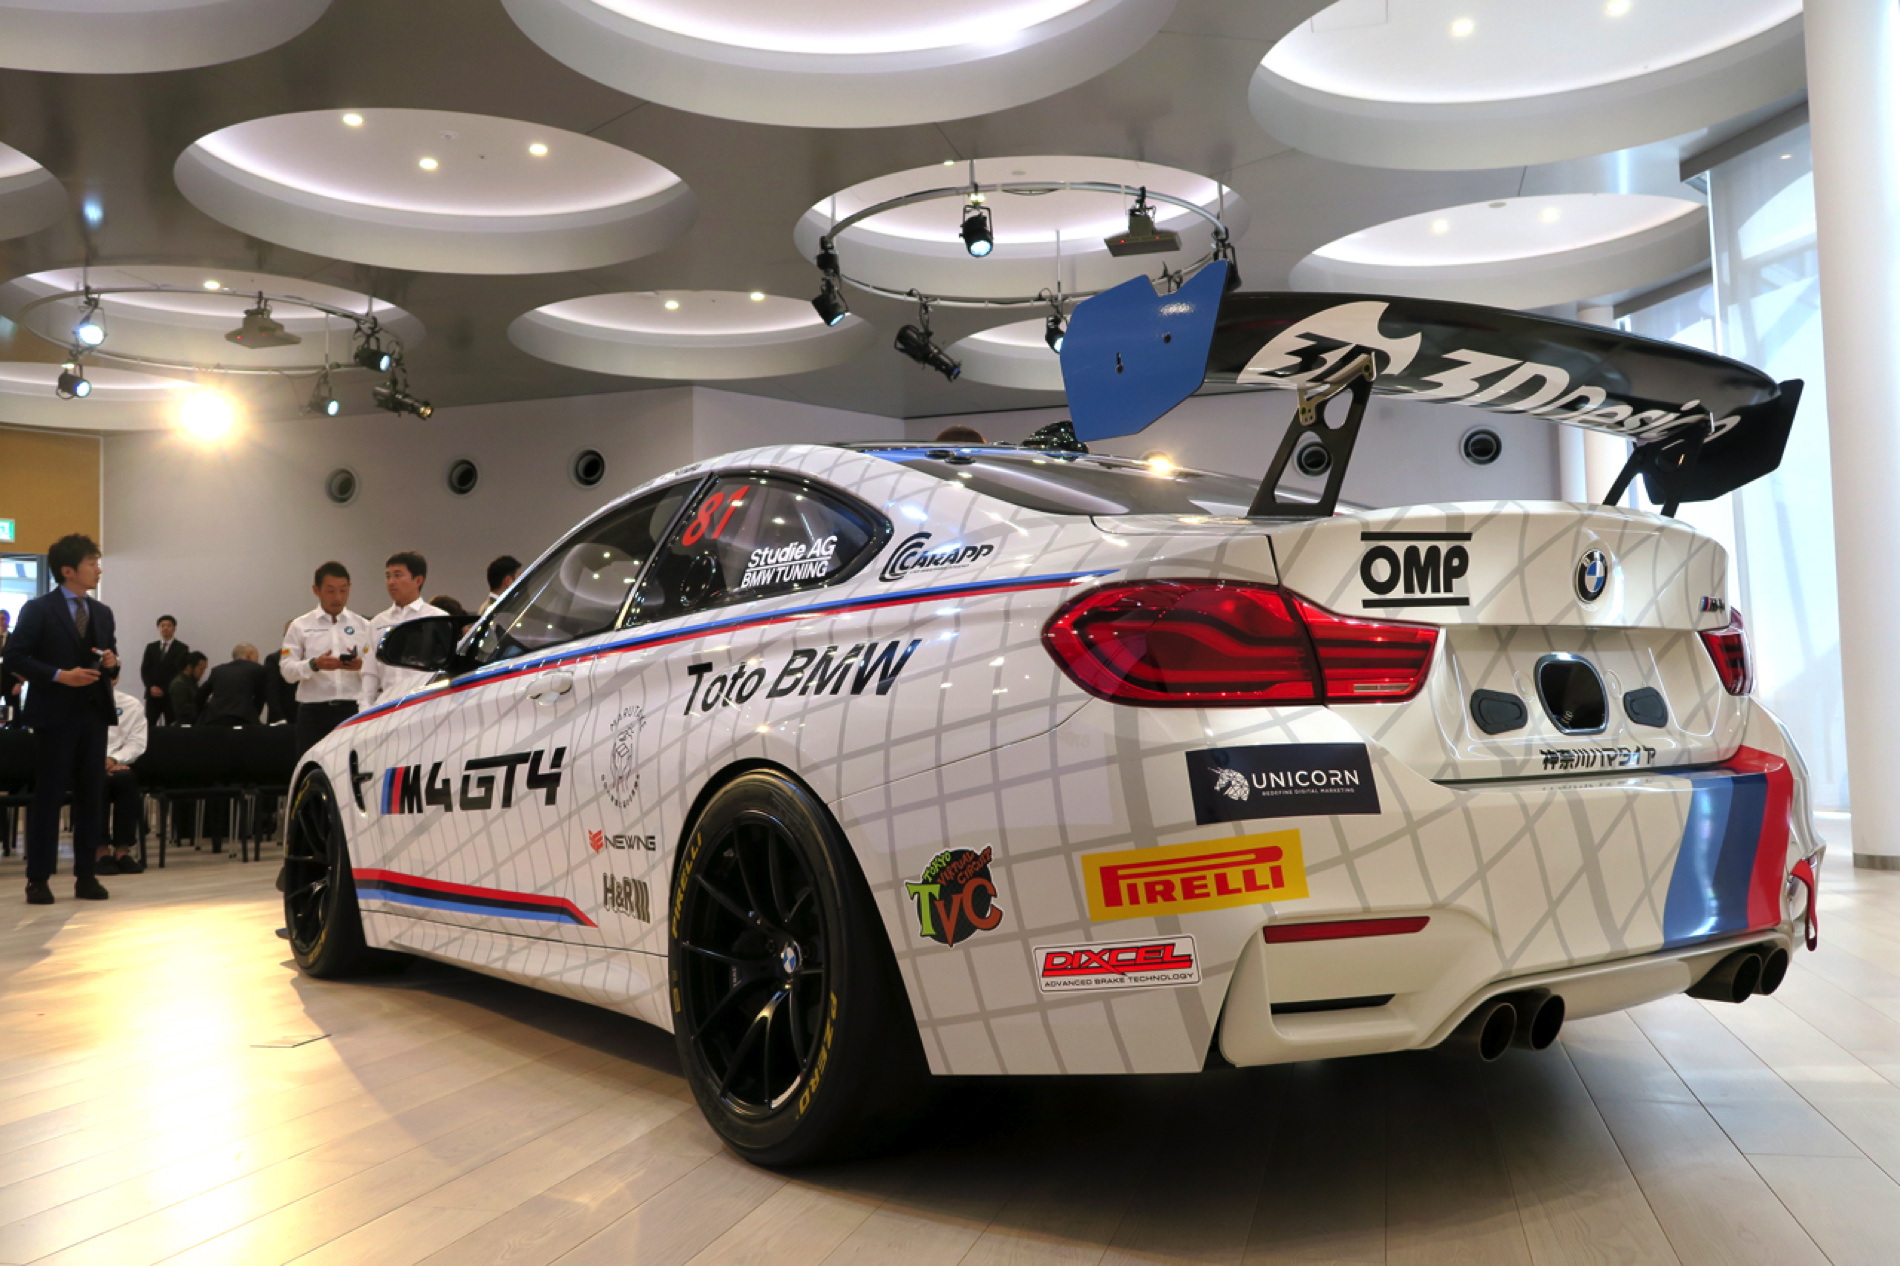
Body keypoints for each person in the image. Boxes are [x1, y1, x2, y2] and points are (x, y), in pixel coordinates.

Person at [1, 533, 117, 904]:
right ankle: (38, 879)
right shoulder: (39, 609)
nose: (98, 570)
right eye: (91, 563)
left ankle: (86, 876)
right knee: (49, 798)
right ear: (68, 570)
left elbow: (109, 662)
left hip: (93, 715)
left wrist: (112, 662)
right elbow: (14, 657)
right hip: (54, 717)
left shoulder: (102, 612)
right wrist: (58, 675)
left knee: (92, 798)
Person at [281, 561, 371, 760]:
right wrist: (314, 665)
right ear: (316, 590)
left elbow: (378, 670)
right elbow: (287, 671)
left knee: (353, 766)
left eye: (343, 590)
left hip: (352, 709)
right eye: (330, 591)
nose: (337, 597)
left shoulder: (364, 625)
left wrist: (361, 666)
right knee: (311, 767)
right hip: (313, 713)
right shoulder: (300, 626)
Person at [361, 552, 445, 709]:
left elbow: (445, 670)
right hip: (386, 706)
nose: (391, 582)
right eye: (388, 576)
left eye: (397, 575)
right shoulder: (377, 623)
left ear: (418, 580)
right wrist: (365, 706)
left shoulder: (437, 619)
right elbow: (370, 671)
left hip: (425, 705)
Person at [99, 667, 147, 875]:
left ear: (116, 678)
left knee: (126, 780)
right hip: (88, 764)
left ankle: (122, 850)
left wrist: (114, 759)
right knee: (98, 781)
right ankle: (100, 851)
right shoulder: (75, 704)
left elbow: (137, 742)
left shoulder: (131, 705)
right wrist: (97, 761)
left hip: (120, 763)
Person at [199, 644, 269, 726]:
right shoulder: (257, 669)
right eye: (257, 657)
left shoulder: (218, 670)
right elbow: (260, 697)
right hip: (244, 719)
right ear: (249, 655)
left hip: (215, 719)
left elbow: (201, 695)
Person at [139, 615, 190, 728]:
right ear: (159, 628)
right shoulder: (151, 647)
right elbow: (145, 670)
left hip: (171, 695)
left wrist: (165, 689)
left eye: (169, 625)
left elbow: (180, 672)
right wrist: (150, 687)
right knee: (149, 726)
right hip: (152, 694)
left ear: (174, 628)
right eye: (162, 626)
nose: (165, 628)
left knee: (171, 726)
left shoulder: (182, 648)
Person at [169, 652, 208, 724]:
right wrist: (205, 705)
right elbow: (181, 709)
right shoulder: (179, 684)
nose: (202, 673)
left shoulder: (191, 682)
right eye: (201, 669)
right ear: (189, 667)